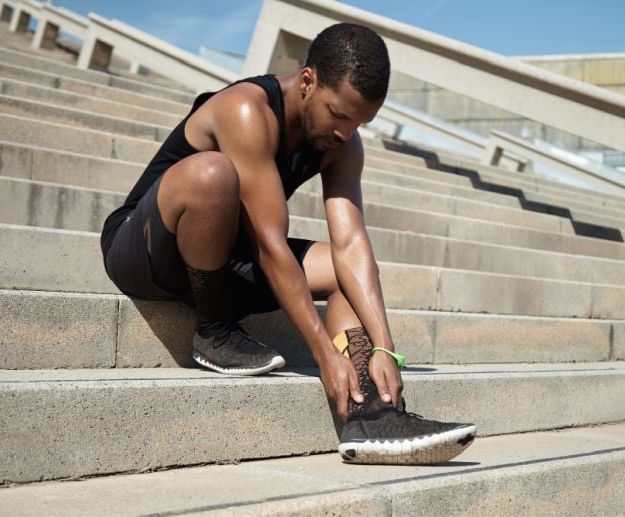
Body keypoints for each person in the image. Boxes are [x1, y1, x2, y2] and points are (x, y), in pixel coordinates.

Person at [100, 23, 475, 464]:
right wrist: (321, 352)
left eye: (360, 122)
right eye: (338, 114)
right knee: (213, 174)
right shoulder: (246, 109)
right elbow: (269, 242)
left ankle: (372, 416)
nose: (346, 131)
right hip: (145, 251)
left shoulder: (344, 143)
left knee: (342, 273)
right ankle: (212, 329)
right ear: (307, 81)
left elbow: (351, 242)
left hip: (228, 260)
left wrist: (383, 347)